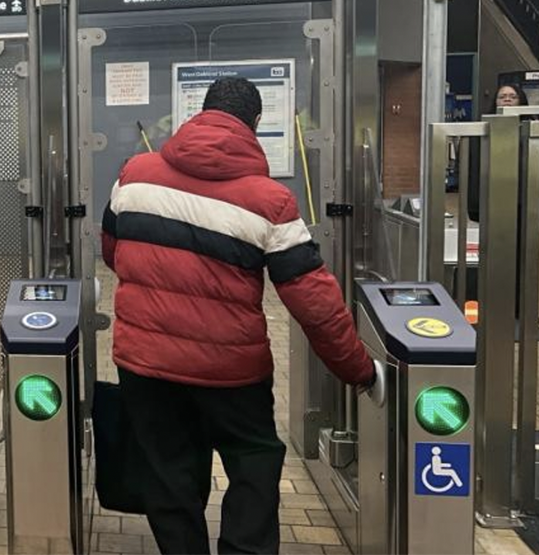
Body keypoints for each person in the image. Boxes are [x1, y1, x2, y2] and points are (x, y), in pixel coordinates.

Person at [101, 77, 375, 555]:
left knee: (169, 472)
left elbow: (113, 251)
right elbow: (314, 304)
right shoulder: (271, 201)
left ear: (199, 112)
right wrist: (357, 369)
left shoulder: (134, 175)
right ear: (255, 123)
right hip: (230, 373)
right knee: (254, 460)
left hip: (146, 363)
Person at [466, 83, 539, 224]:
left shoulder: (536, 130)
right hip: (493, 198)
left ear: (521, 101)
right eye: (502, 97)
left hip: (529, 198)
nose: (507, 99)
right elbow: (471, 166)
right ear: (495, 102)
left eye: (513, 97)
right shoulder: (482, 132)